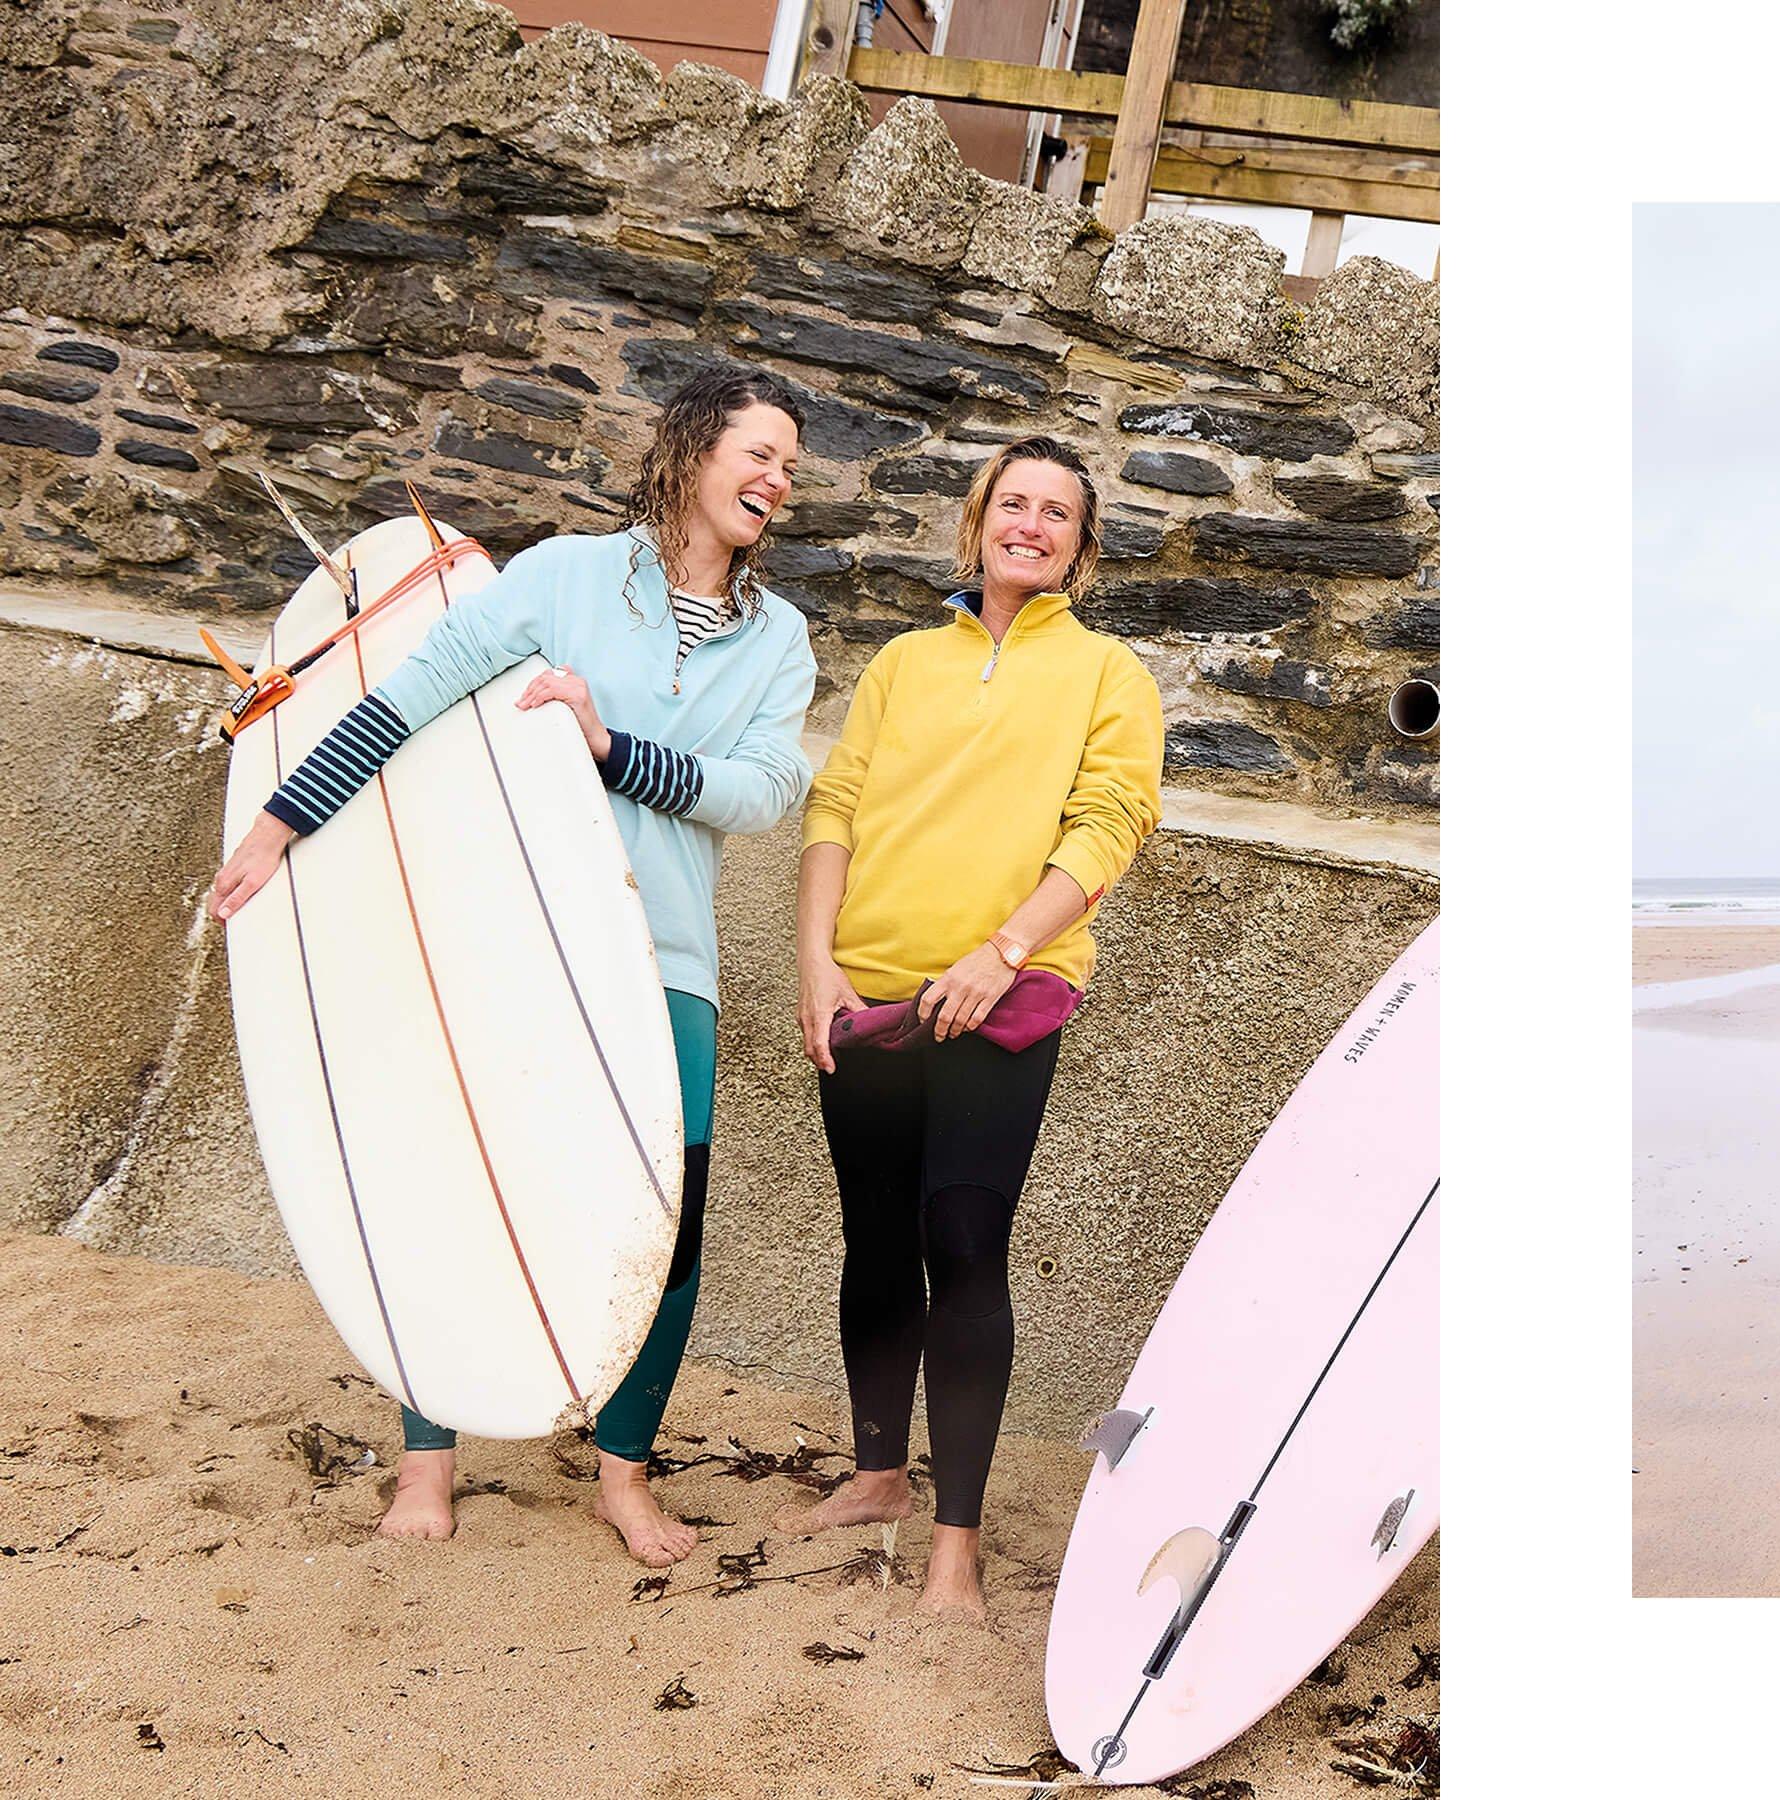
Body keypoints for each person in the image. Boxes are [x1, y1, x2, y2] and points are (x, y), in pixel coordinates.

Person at [210, 365, 820, 1567]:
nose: (778, 479)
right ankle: (427, 1462)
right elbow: (415, 699)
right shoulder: (561, 578)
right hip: (513, 938)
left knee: (667, 1219)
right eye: (760, 453)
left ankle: (625, 1479)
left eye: (791, 467)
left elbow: (761, 794)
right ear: (694, 450)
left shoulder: (780, 640)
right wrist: (281, 822)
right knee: (456, 1174)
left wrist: (611, 746)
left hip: (666, 962)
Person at [777, 435, 1162, 1622]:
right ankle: (880, 1475)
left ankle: (958, 1539)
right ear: (978, 522)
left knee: (963, 1245)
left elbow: (1109, 826)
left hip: (1000, 1004)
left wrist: (1002, 954)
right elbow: (836, 801)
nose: (1032, 524)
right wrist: (813, 958)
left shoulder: (1110, 676)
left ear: (1080, 548)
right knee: (875, 1243)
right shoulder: (902, 661)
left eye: (1058, 513)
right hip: (868, 997)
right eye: (1015, 503)